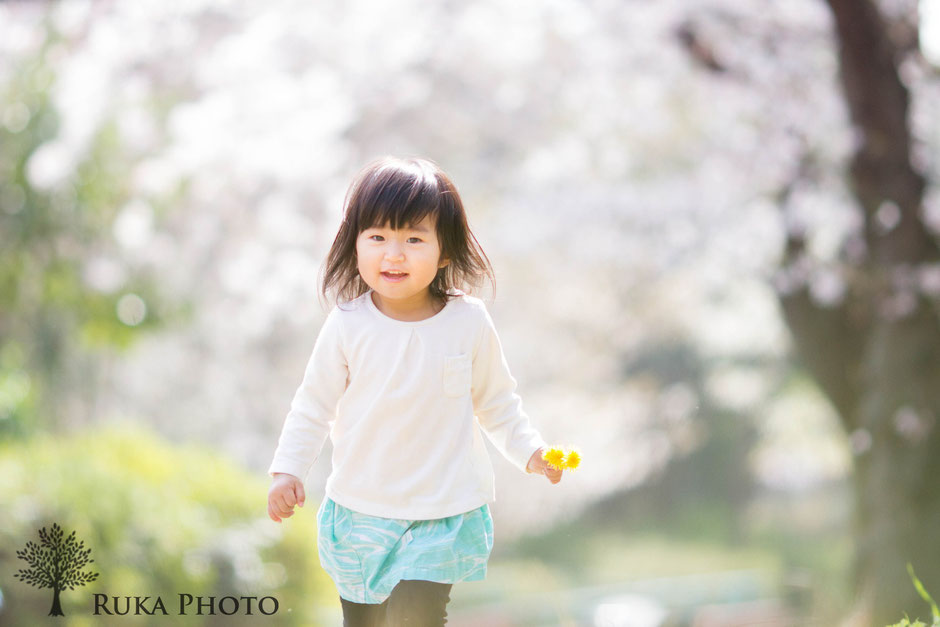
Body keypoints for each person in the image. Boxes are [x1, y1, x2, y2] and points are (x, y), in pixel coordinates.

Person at [267, 156, 563, 626]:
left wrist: (531, 452)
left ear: (444, 252)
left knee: (415, 618)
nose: (394, 254)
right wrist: (288, 470)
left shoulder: (467, 323)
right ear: (356, 244)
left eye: (414, 239)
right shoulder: (348, 326)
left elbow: (497, 402)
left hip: (439, 512)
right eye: (378, 237)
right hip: (361, 508)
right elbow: (313, 406)